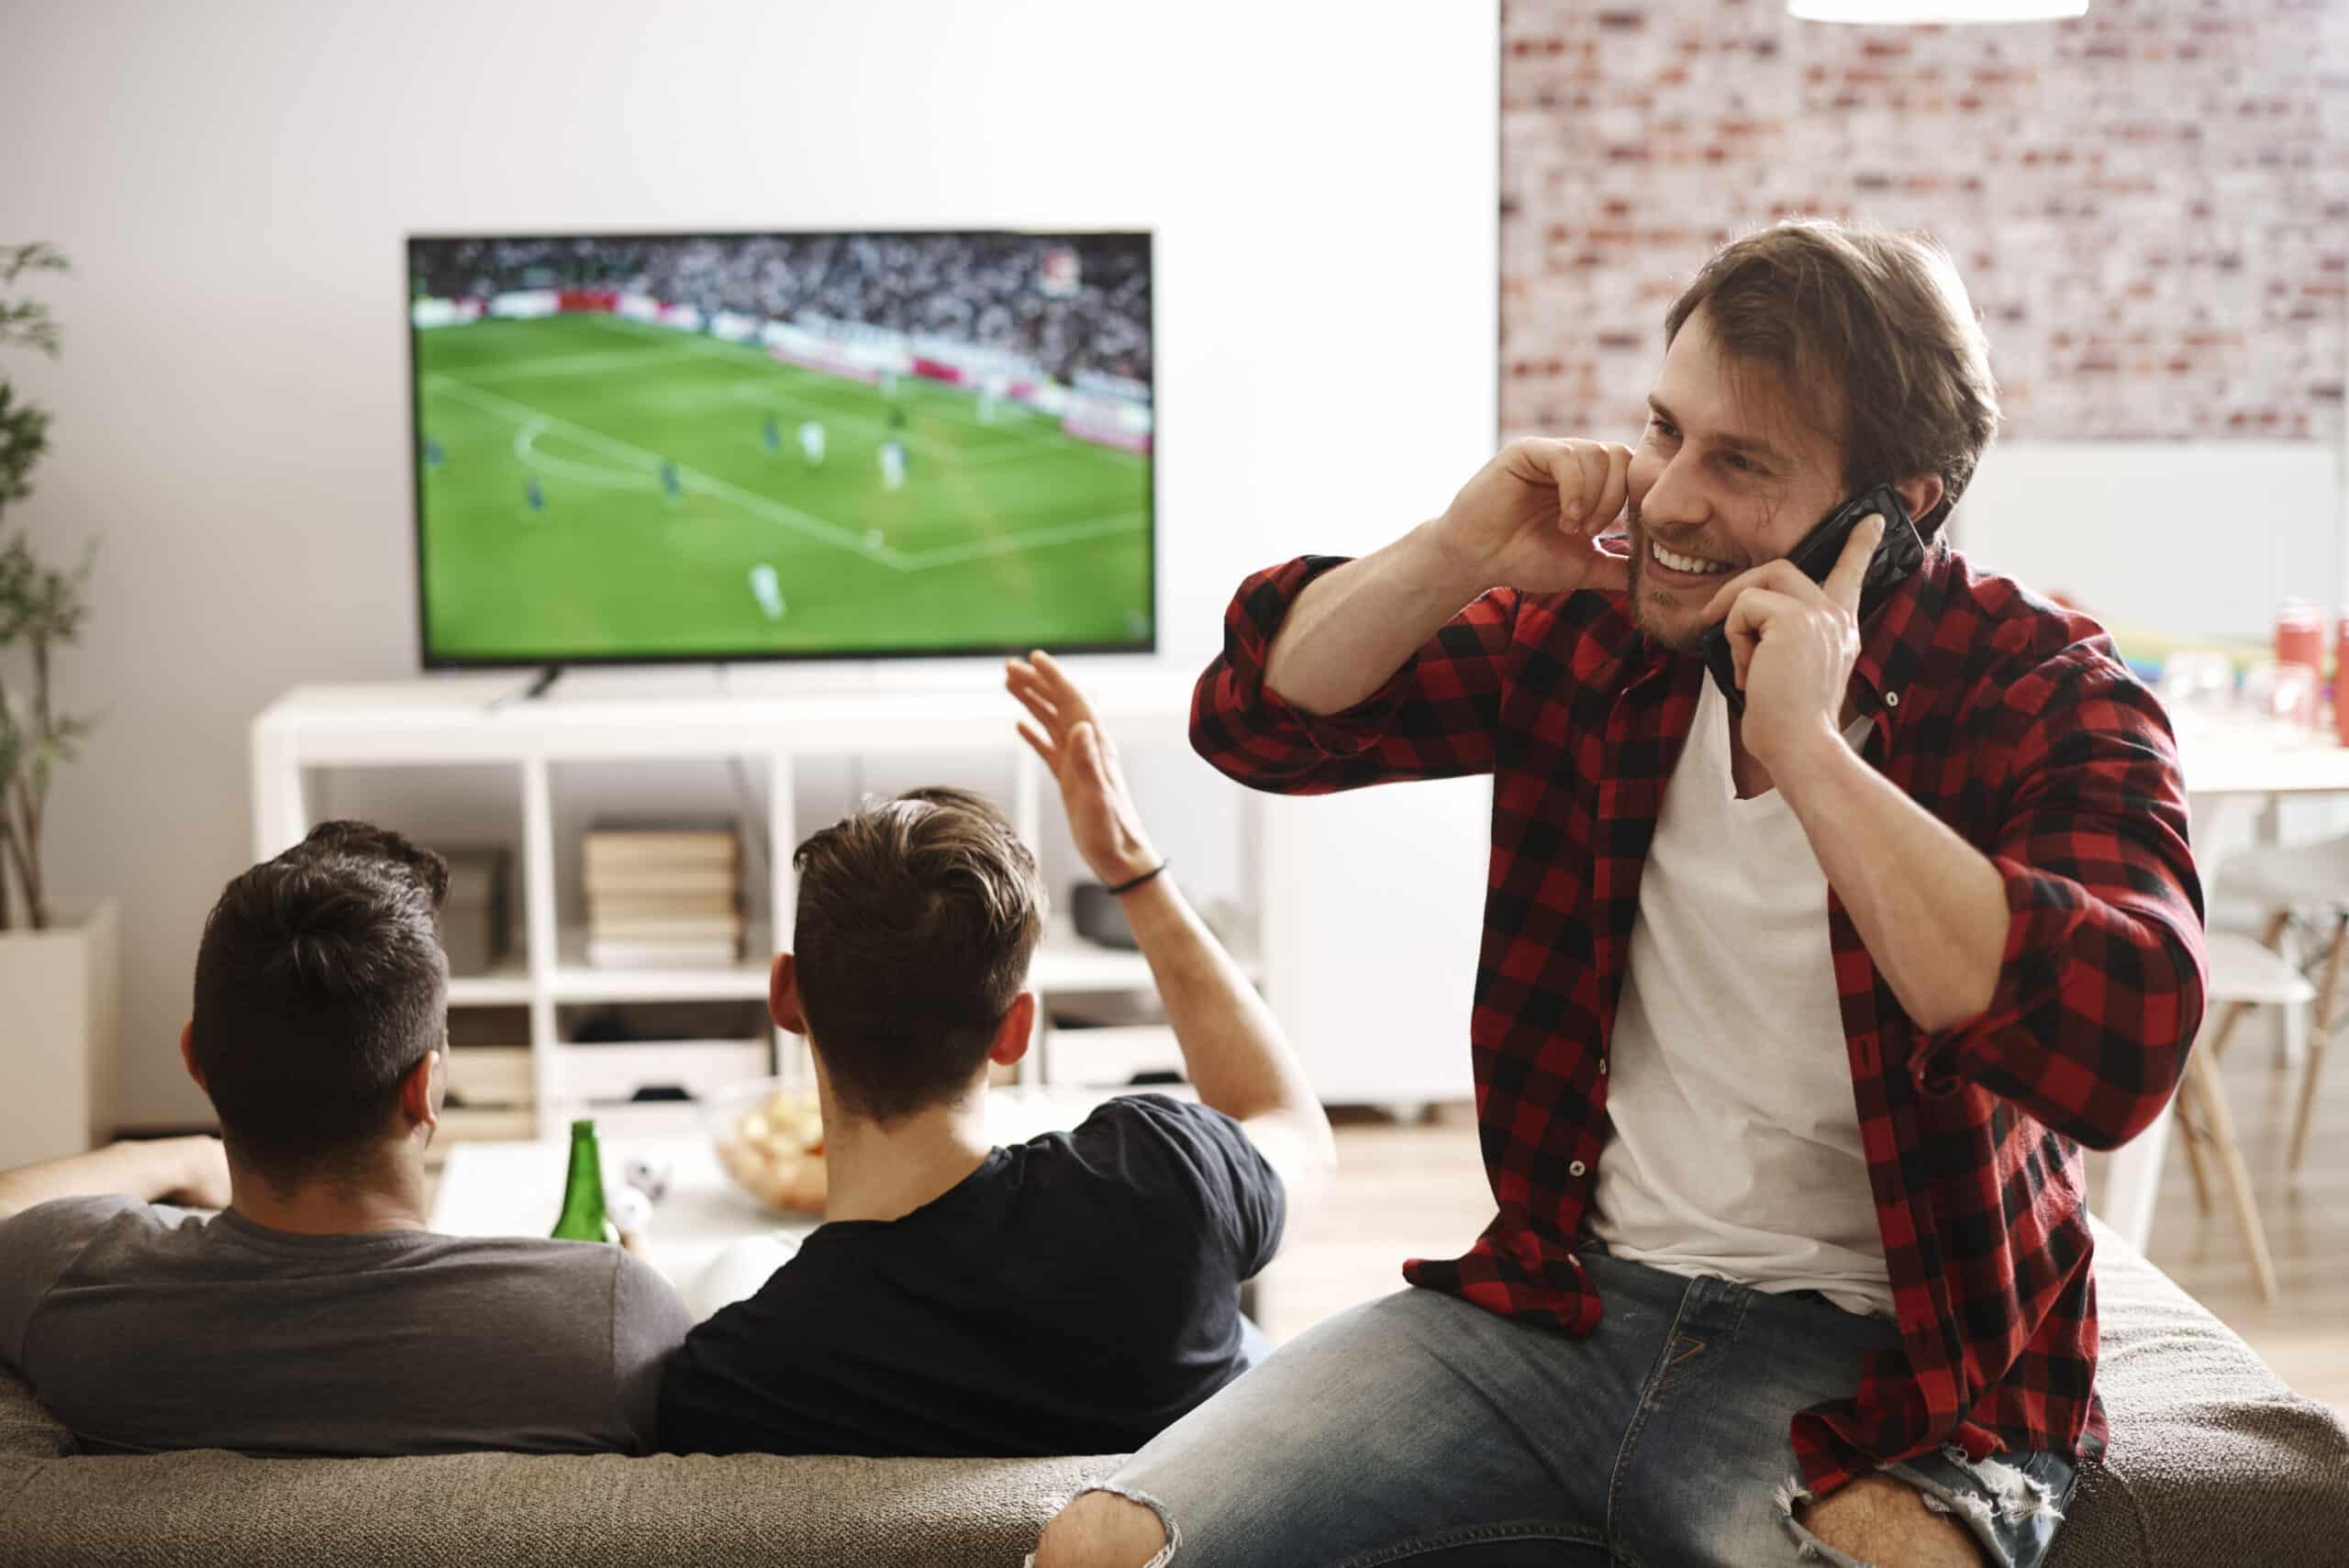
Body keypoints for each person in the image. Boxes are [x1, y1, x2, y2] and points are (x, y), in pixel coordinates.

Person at [1040, 220, 2207, 1568]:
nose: (1663, 499)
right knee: (1100, 1549)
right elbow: (1258, 720)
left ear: (1905, 507)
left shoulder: (2044, 687)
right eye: (1665, 430)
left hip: (1894, 1372)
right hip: (1561, 1311)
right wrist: (1459, 552)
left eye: (1739, 464)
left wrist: (1814, 757)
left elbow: (2121, 1046)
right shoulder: (1601, 627)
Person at [658, 651, 1334, 1459]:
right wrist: (1132, 868)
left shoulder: (736, 1376)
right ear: (1016, 1030)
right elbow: (1293, 1125)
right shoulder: (1163, 1189)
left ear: (786, 997)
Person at [0, 821, 693, 1457]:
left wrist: (169, 1154)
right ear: (426, 1086)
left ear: (196, 1062)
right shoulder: (609, 1317)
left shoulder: (67, 1281)